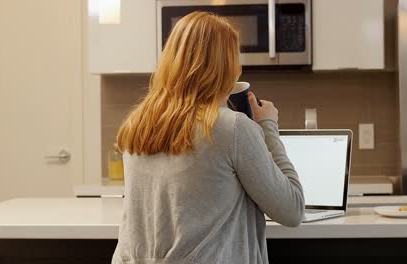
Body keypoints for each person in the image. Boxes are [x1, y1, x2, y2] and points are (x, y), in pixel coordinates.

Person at [112, 11, 304, 264]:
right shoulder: (232, 127)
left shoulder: (138, 123)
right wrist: (268, 126)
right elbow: (292, 210)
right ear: (229, 67)